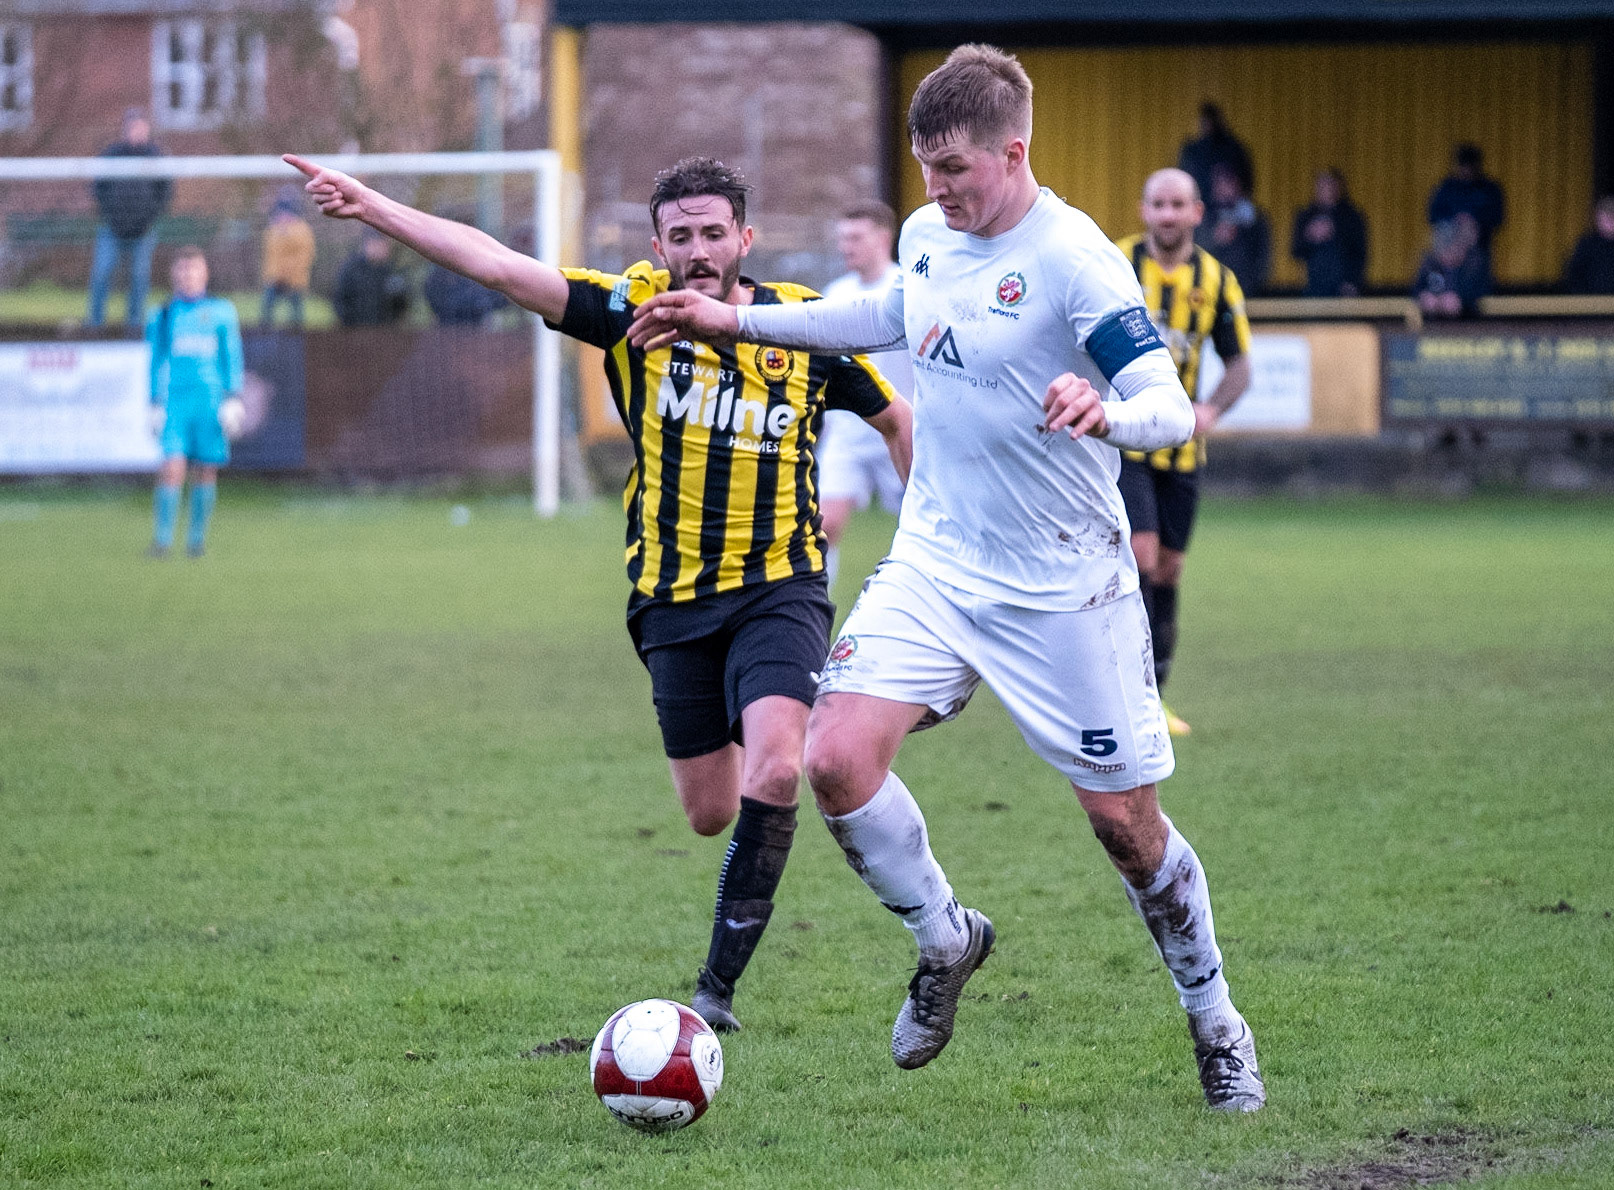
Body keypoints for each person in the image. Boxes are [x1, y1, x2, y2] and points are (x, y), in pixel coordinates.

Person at [630, 44, 1266, 1112]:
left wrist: (1106, 409)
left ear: (1012, 153)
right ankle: (945, 936)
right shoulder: (928, 236)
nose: (937, 193)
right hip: (936, 559)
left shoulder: (1077, 261)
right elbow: (877, 323)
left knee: (1125, 828)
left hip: (1064, 582)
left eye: (957, 172)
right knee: (831, 758)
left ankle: (1215, 1019)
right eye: (927, 171)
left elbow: (1163, 397)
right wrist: (733, 319)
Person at [283, 150, 912, 1034]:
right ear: (658, 242)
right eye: (681, 235)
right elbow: (497, 265)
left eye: (714, 233)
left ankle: (715, 995)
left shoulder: (803, 328)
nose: (699, 250)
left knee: (781, 764)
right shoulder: (627, 310)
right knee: (710, 812)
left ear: (746, 238)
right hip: (671, 601)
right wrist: (374, 208)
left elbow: (897, 420)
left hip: (782, 586)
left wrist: (930, 549)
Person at [1113, 168, 1253, 739]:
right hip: (1126, 441)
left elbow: (1240, 366)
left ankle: (1156, 698)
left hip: (1184, 453)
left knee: (1169, 570)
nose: (1167, 215)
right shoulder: (1116, 264)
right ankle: (1132, 699)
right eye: (1157, 205)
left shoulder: (1218, 281)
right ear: (1144, 210)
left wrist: (1213, 409)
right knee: (1141, 559)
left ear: (1197, 212)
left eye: (1178, 205)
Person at [818, 201, 913, 586]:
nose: (846, 246)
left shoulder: (907, 288)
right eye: (842, 238)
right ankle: (812, 616)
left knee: (921, 532)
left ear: (884, 238)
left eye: (855, 237)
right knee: (822, 527)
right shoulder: (835, 293)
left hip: (904, 424)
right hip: (849, 431)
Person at [145, 246, 243, 559]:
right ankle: (162, 541)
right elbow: (155, 361)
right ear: (174, 275)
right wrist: (153, 402)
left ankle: (196, 542)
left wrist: (232, 397)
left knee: (206, 469)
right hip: (175, 403)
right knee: (172, 467)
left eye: (193, 270)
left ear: (204, 273)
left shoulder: (222, 312)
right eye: (182, 270)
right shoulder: (161, 314)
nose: (188, 276)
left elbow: (232, 356)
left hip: (210, 402)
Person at [87, 109, 172, 328]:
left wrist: (148, 218)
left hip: (143, 231)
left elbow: (165, 192)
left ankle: (134, 325)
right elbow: (98, 187)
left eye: (140, 127)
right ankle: (95, 323)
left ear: (147, 129)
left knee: (139, 279)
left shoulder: (155, 156)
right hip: (112, 229)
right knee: (101, 274)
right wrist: (111, 214)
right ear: (125, 130)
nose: (136, 132)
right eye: (132, 127)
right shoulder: (112, 153)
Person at [1427, 144, 1504, 279]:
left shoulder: (1489, 189)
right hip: (1448, 240)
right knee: (1447, 229)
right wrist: (1456, 220)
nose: (1466, 171)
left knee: (1469, 228)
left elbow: (1497, 218)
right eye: (1463, 166)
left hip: (1478, 244)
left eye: (1470, 166)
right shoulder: (1447, 188)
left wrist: (1473, 221)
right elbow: (1433, 215)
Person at [1291, 168, 1368, 297]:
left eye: (1329, 185)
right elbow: (1296, 250)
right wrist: (1311, 236)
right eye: (1320, 186)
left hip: (1344, 287)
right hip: (1313, 287)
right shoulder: (1306, 215)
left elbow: (1360, 252)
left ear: (1338, 187)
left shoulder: (1352, 216)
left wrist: (1352, 281)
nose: (1324, 190)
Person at [1200, 164, 1271, 296]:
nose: (1222, 188)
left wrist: (1253, 285)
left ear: (1238, 185)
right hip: (1209, 290)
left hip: (1247, 291)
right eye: (1218, 183)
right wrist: (1214, 239)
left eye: (1227, 182)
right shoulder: (1202, 217)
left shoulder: (1255, 219)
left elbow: (1263, 257)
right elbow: (1193, 251)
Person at [1177, 102, 1253, 210]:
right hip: (1199, 204)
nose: (1207, 125)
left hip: (1230, 208)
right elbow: (1183, 177)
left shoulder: (1233, 149)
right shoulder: (1192, 150)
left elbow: (1246, 180)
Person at [260, 191, 316, 328]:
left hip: (295, 281)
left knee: (296, 316)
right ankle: (265, 337)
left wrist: (289, 275)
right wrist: (273, 276)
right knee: (266, 313)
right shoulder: (273, 230)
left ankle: (297, 338)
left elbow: (305, 256)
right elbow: (270, 255)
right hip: (274, 279)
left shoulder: (302, 231)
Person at [1413, 216, 1489, 319]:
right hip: (1432, 324)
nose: (1446, 256)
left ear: (1459, 246)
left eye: (1450, 250)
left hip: (1470, 324)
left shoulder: (1474, 264)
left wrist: (1461, 301)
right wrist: (1424, 297)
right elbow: (1416, 290)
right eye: (1442, 250)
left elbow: (1482, 294)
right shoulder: (1430, 263)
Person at [333, 233, 410, 327]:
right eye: (378, 245)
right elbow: (340, 299)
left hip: (385, 332)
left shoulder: (391, 271)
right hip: (356, 331)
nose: (381, 249)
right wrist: (350, 324)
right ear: (368, 244)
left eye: (384, 246)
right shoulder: (351, 269)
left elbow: (401, 306)